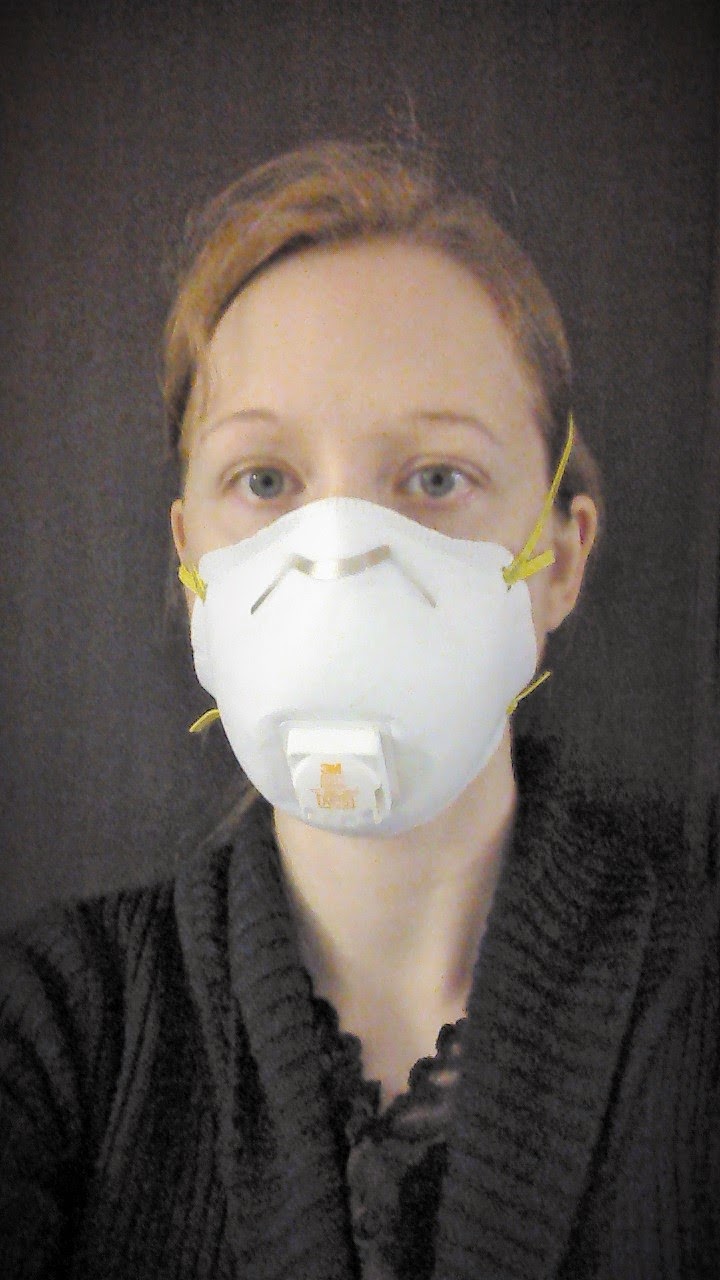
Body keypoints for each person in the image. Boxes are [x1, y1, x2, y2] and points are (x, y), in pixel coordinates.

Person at [0, 140, 717, 1280]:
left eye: (435, 478)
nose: (338, 559)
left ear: (562, 560)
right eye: (266, 481)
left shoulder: (693, 986)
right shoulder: (56, 1032)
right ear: (190, 559)